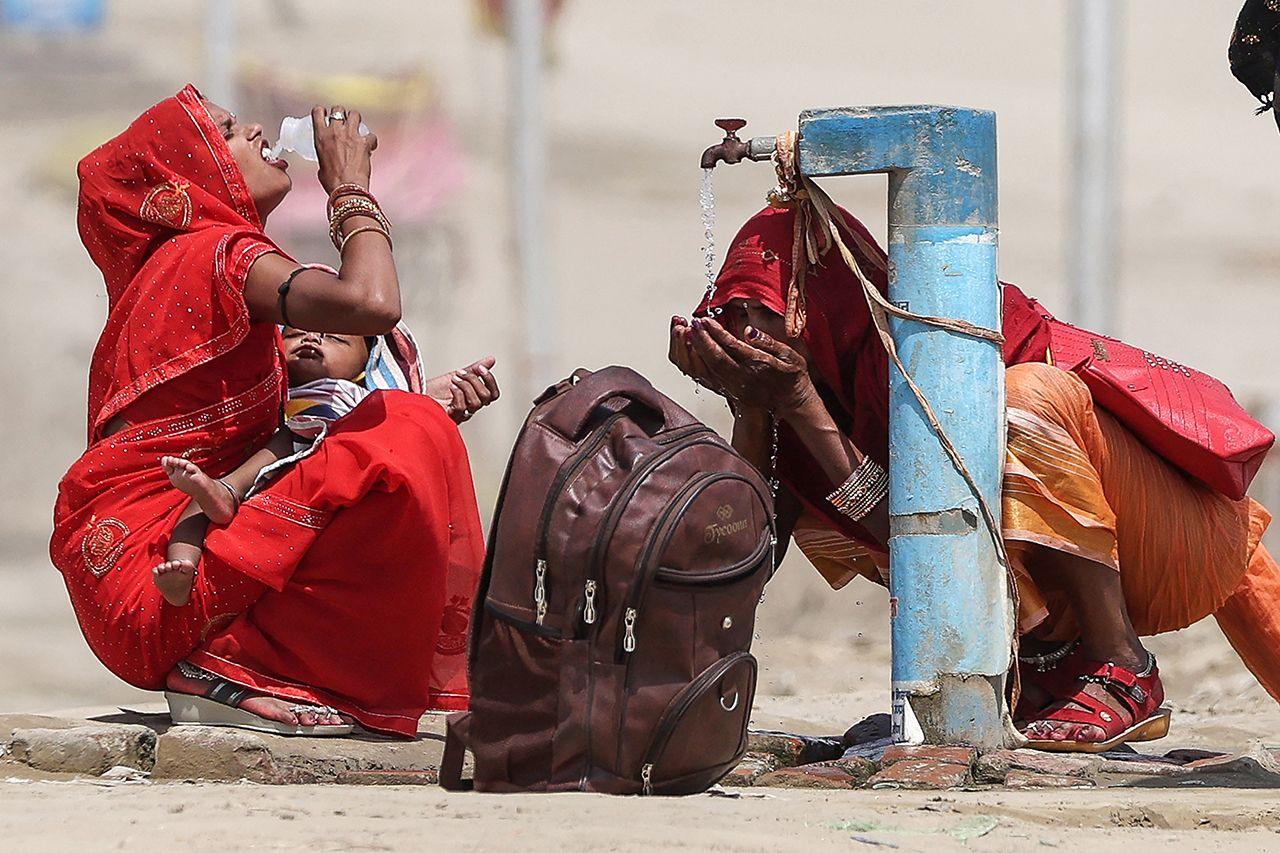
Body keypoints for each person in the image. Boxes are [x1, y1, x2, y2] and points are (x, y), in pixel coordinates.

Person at [669, 204, 1280, 751]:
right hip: (1091, 563)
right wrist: (750, 409)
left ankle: (1123, 667)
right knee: (823, 508)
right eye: (730, 311)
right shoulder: (806, 398)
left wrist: (799, 403)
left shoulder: (931, 340)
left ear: (820, 303)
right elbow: (746, 556)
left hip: (1179, 535)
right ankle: (1039, 671)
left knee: (1023, 404)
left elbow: (937, 521)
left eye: (762, 311)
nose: (742, 332)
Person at [52, 84, 491, 737]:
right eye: (228, 130)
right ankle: (239, 666)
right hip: (159, 577)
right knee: (405, 432)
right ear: (194, 173)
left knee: (410, 430)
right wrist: (350, 187)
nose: (258, 132)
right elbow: (372, 304)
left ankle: (269, 662)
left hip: (136, 580)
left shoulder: (181, 268)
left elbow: (305, 434)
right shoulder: (213, 254)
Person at [154, 327, 499, 607]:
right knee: (199, 502)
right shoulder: (261, 398)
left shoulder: (367, 403)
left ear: (368, 365)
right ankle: (182, 568)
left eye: (335, 337)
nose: (312, 338)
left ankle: (223, 494)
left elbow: (393, 421)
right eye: (293, 334)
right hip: (271, 471)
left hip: (313, 484)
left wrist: (422, 402)